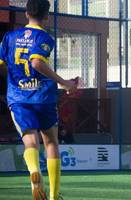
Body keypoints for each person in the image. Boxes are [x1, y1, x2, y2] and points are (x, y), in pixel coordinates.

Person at [0, 0, 78, 199]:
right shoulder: (44, 37)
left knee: (30, 141)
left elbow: (2, 64)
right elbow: (36, 62)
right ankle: (53, 195)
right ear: (47, 16)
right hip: (43, 97)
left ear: (26, 13)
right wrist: (64, 82)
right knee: (51, 142)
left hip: (18, 98)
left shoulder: (9, 37)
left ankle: (34, 171)